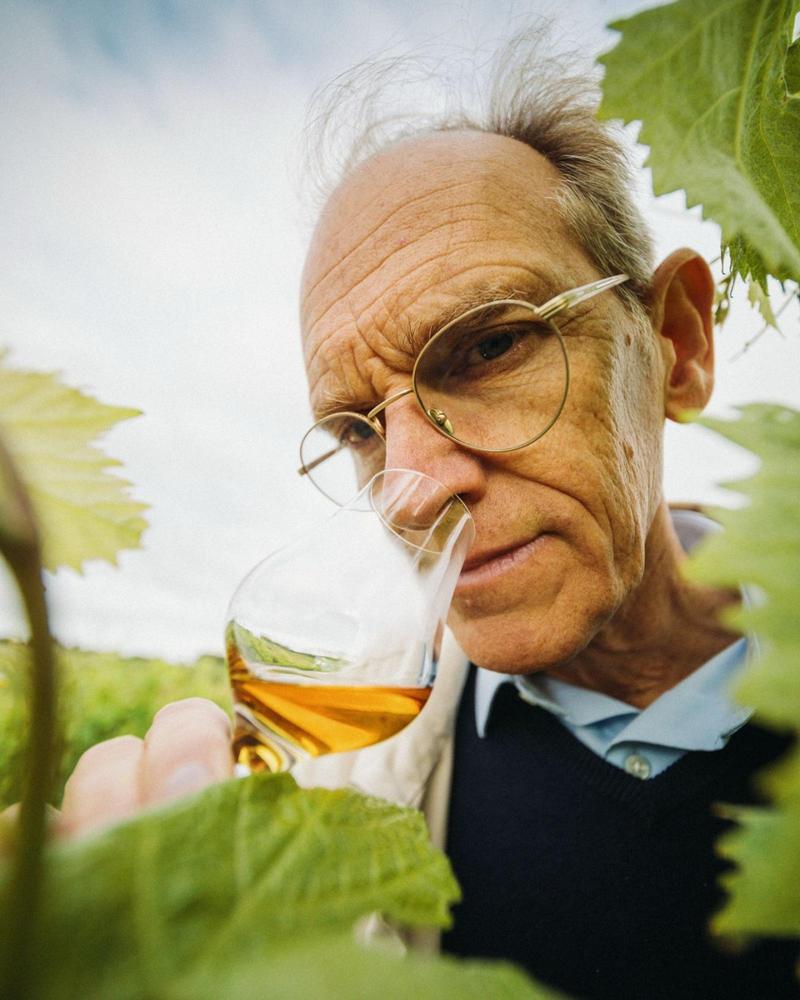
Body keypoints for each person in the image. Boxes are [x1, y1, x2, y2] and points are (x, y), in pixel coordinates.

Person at [58, 38, 798, 999]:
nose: (416, 485)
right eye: (358, 431)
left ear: (676, 345)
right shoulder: (339, 784)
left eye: (488, 347)